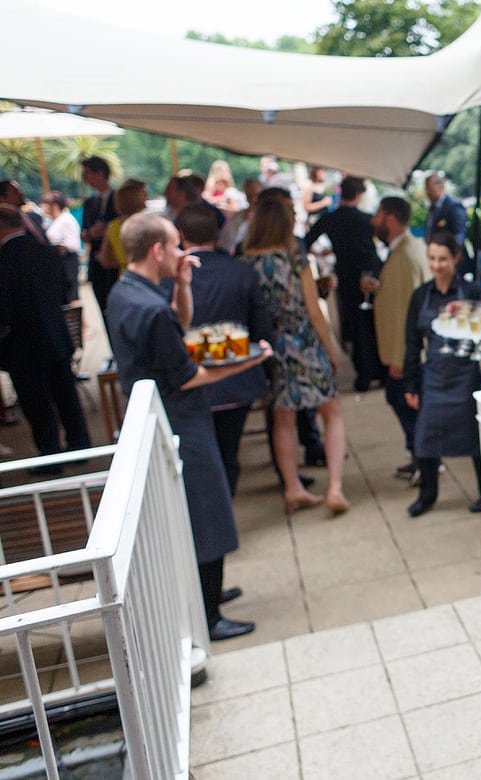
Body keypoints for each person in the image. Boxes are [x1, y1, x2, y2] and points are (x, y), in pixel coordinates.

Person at [105, 212, 271, 641]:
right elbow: (187, 376)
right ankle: (210, 615)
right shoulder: (148, 309)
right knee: (207, 511)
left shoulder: (127, 292)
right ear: (157, 250)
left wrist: (181, 283)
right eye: (175, 246)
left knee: (199, 510)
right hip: (181, 418)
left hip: (167, 415)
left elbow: (180, 324)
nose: (183, 253)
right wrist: (249, 360)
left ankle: (208, 593)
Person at [244, 193, 349, 516]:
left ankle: (292, 488)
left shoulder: (246, 262)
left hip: (273, 348)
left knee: (283, 420)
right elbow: (315, 312)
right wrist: (331, 351)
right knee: (330, 413)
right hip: (305, 343)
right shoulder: (295, 260)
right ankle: (334, 488)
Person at [175, 203, 270, 496]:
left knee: (199, 456)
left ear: (180, 235)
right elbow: (261, 326)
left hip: (193, 378)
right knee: (228, 453)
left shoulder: (171, 279)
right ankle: (224, 507)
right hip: (235, 377)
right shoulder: (240, 271)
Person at [0, 205, 92, 473]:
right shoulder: (46, 250)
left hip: (21, 343)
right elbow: (64, 289)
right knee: (65, 393)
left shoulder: (4, 259)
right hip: (55, 334)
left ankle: (49, 456)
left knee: (36, 402)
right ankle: (80, 444)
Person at [403, 231, 481, 517]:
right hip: (434, 376)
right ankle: (427, 494)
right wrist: (410, 384)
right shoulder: (420, 296)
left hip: (466, 376)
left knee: (476, 440)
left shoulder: (472, 292)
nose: (437, 265)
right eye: (432, 259)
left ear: (456, 259)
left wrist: (470, 312)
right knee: (424, 438)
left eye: (443, 259)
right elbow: (412, 344)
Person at [364, 196, 431, 481]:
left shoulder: (405, 254)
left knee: (403, 400)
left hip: (405, 352)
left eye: (377, 215)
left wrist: (400, 357)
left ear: (390, 218)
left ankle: (424, 458)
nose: (373, 221)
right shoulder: (406, 249)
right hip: (406, 350)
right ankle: (420, 456)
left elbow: (406, 309)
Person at [304, 175, 382, 392]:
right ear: (358, 195)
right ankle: (378, 370)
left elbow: (306, 241)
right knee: (373, 323)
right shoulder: (367, 219)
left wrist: (323, 252)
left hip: (347, 275)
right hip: (369, 271)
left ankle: (364, 374)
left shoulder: (331, 219)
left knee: (355, 326)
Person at [80, 157, 118, 314]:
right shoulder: (89, 202)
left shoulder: (118, 198)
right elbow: (84, 230)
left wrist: (107, 230)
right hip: (97, 267)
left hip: (115, 262)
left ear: (100, 173)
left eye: (87, 173)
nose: (84, 178)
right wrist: (89, 234)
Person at [97, 178, 148, 282]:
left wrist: (122, 261)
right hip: (145, 277)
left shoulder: (113, 226)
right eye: (143, 193)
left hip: (124, 277)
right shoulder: (147, 224)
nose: (146, 195)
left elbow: (105, 259)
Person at [423, 172, 470, 277]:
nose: (428, 192)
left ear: (440, 186)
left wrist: (452, 255)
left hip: (450, 262)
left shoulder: (454, 206)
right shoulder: (433, 207)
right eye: (426, 189)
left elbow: (460, 233)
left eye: (430, 188)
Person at [40, 191, 82, 304]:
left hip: (68, 262)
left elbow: (73, 244)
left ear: (54, 205)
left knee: (71, 298)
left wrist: (57, 247)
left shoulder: (66, 220)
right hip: (59, 264)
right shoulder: (56, 221)